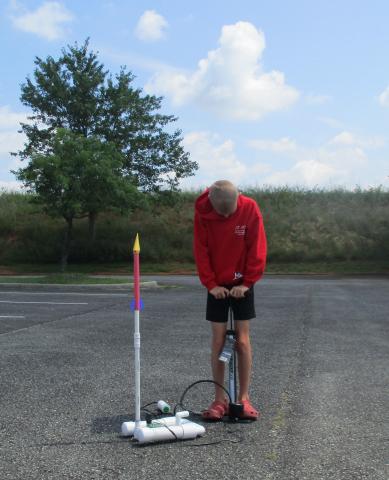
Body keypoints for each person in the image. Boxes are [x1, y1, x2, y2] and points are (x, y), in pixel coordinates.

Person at [193, 180, 267, 420]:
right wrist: (211, 284)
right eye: (220, 213)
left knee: (242, 341)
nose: (225, 216)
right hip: (216, 284)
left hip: (243, 282)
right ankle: (219, 399)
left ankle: (243, 398)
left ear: (238, 199)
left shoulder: (250, 208)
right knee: (218, 340)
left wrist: (247, 282)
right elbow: (201, 249)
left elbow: (257, 247)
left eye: (230, 212)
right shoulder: (203, 214)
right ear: (212, 204)